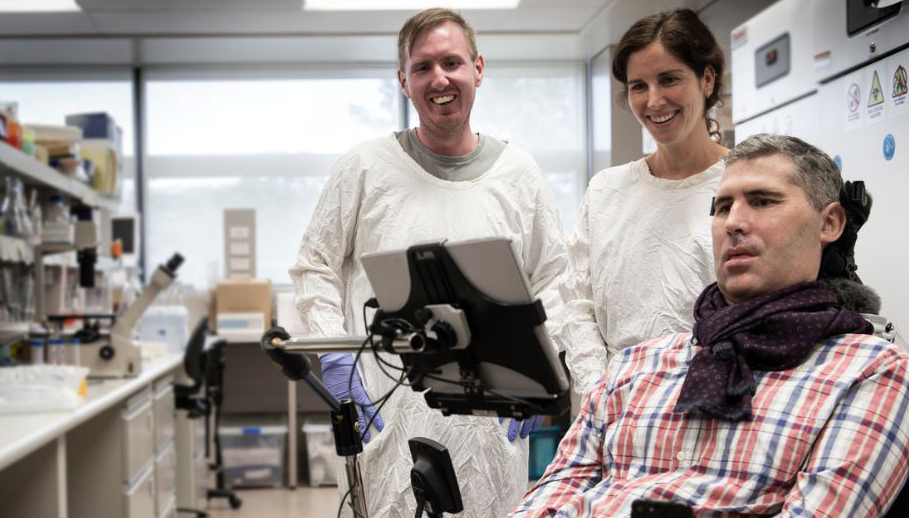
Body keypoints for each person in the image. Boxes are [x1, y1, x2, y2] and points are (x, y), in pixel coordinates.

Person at [509, 134, 909, 517]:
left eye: (762, 201)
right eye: (721, 208)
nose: (733, 222)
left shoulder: (871, 372)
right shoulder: (636, 366)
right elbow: (555, 491)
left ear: (831, 223)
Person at [289, 8, 568, 517]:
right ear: (403, 81)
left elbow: (554, 279)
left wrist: (544, 371)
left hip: (492, 421)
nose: (439, 79)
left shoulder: (519, 174)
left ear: (478, 69)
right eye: (422, 67)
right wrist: (333, 355)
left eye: (452, 63)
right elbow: (315, 265)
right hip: (387, 408)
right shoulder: (365, 167)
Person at [560, 9, 730, 396]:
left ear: (707, 78)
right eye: (638, 86)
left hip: (719, 408)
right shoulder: (606, 191)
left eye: (669, 79)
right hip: (618, 411)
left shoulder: (746, 184)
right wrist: (598, 397)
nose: (654, 101)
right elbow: (578, 306)